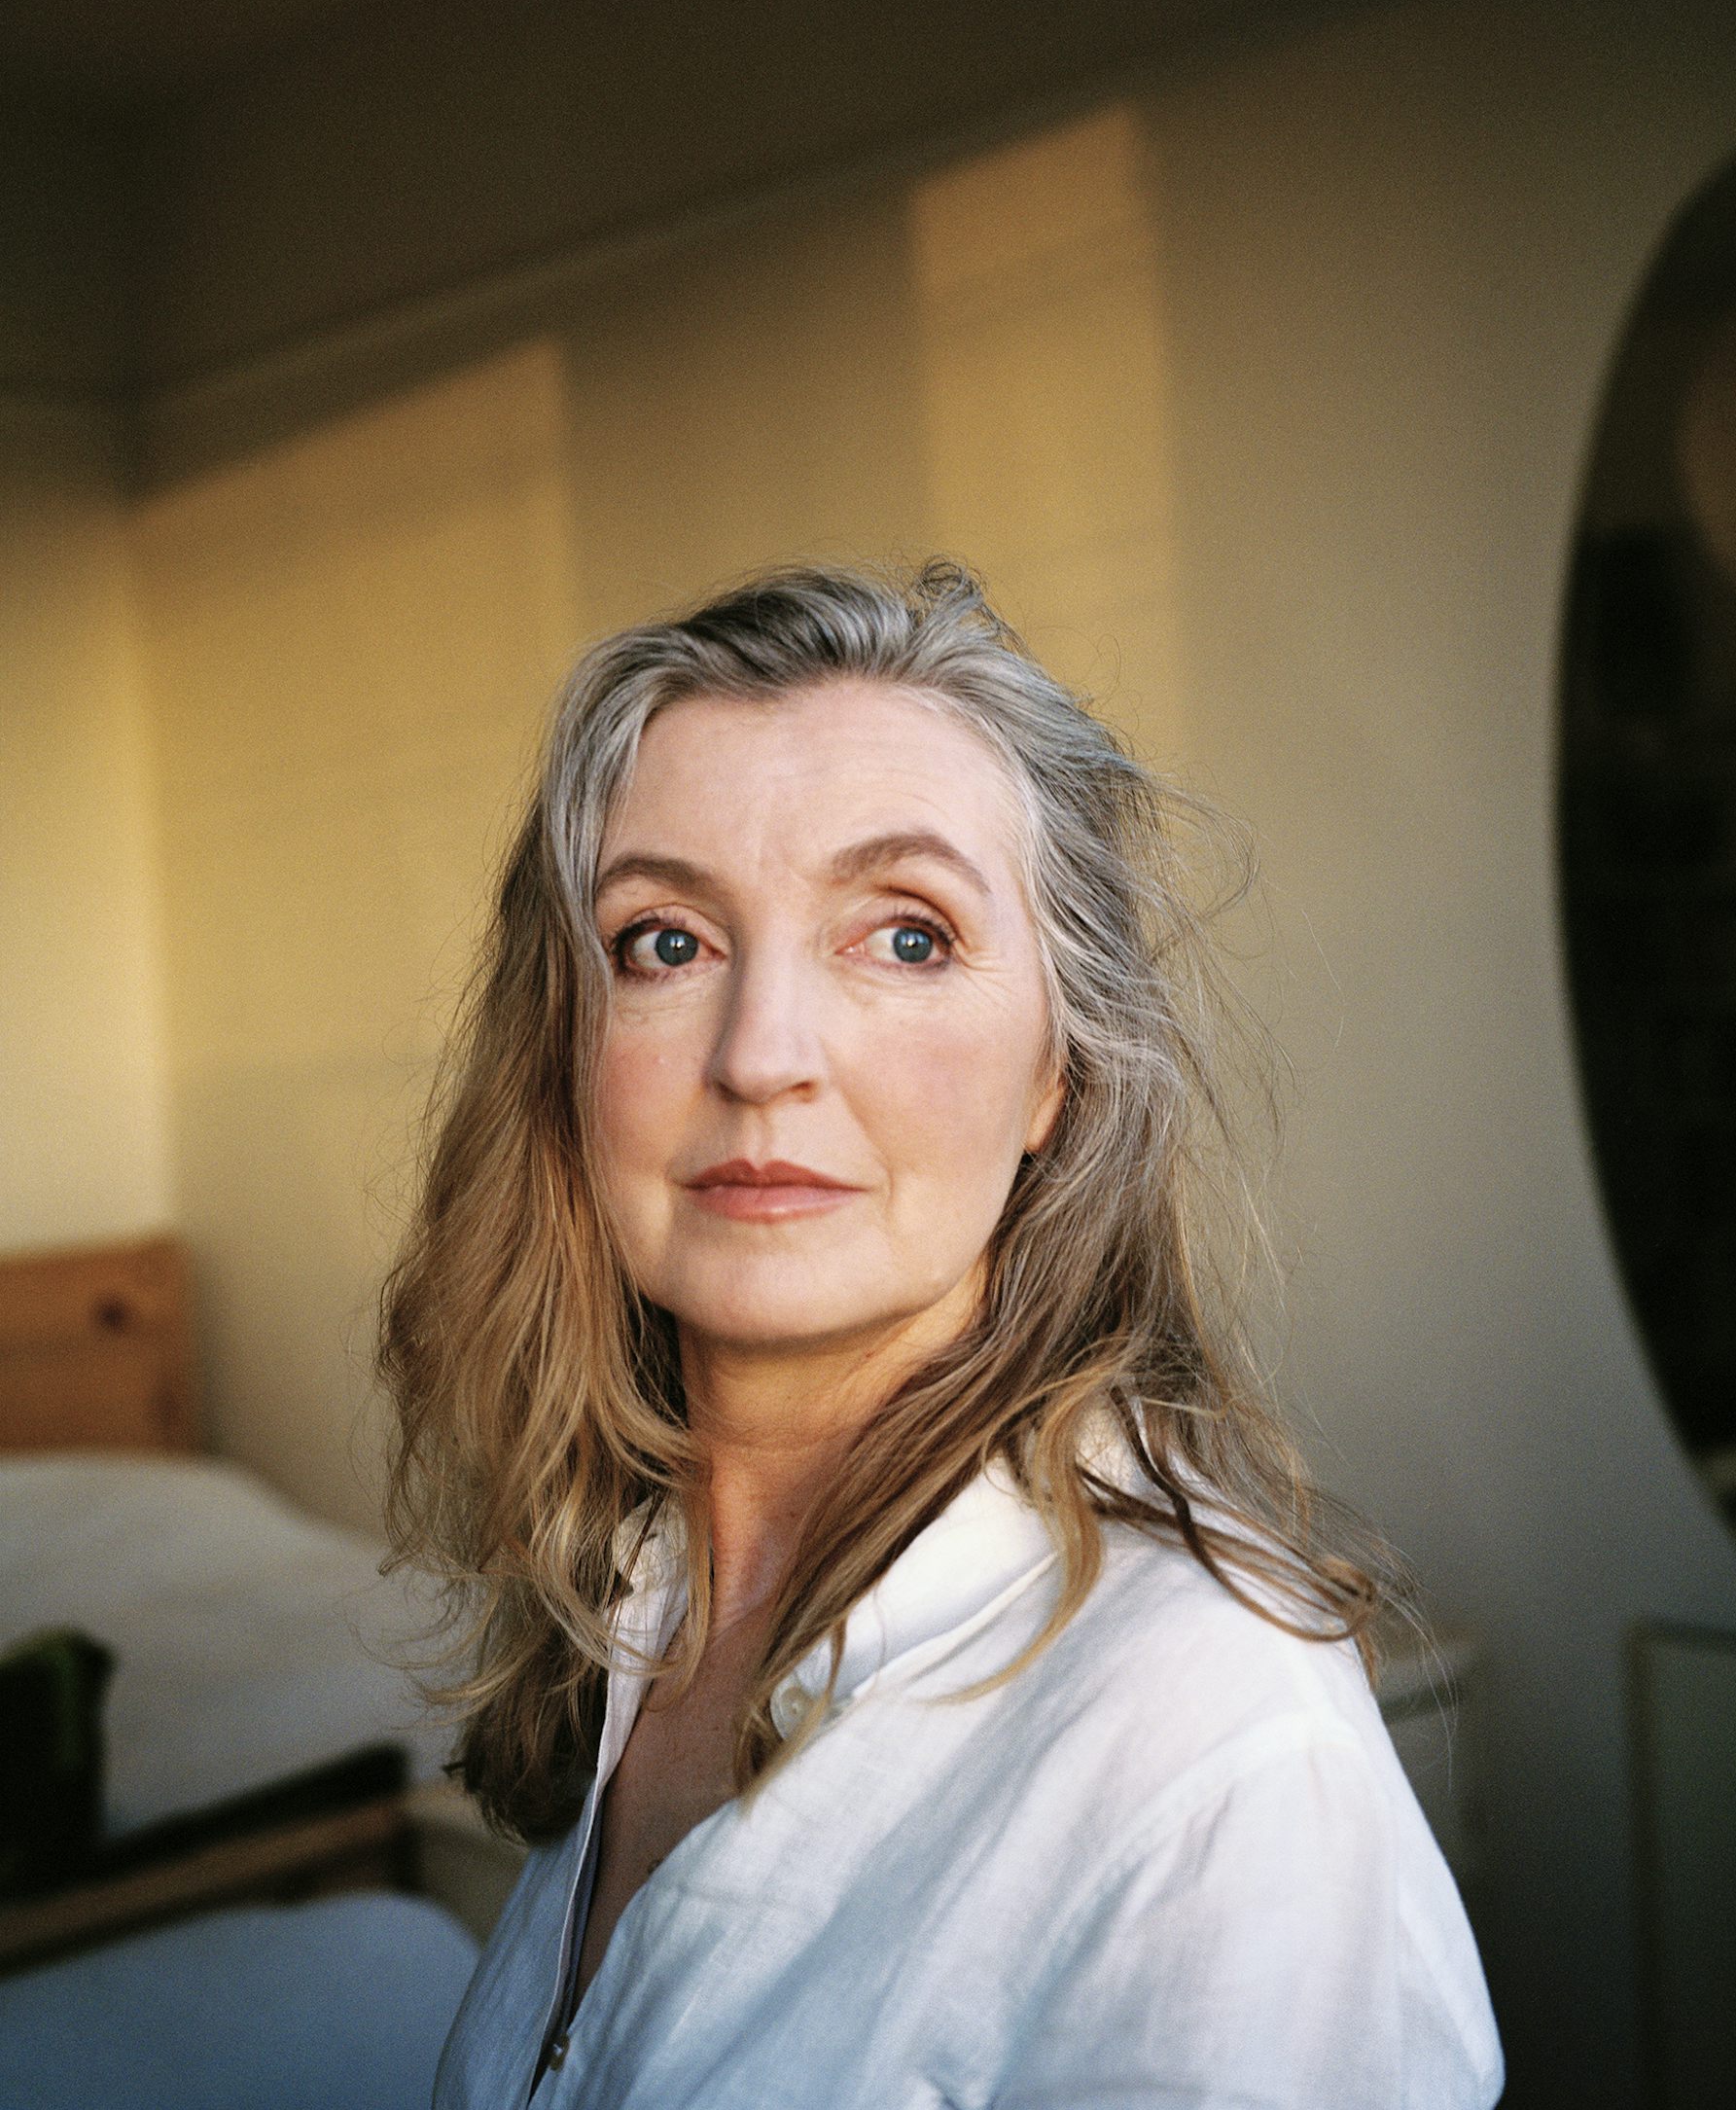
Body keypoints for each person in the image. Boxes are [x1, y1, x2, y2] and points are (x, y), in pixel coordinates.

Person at [380, 559, 1504, 2108]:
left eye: (905, 937)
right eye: (663, 942)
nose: (763, 1055)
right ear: (568, 1058)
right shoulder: (641, 1620)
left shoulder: (1213, 1742)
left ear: (1061, 1073)